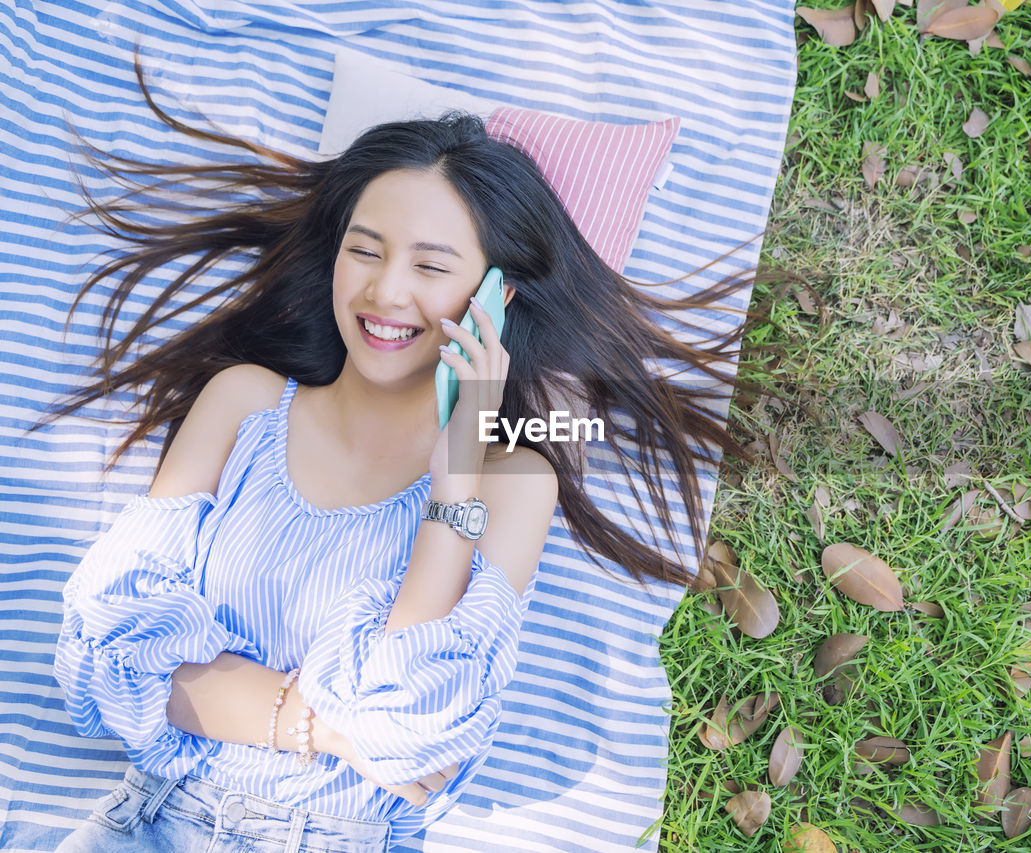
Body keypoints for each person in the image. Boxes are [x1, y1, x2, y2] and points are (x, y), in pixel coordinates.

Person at [43, 60, 750, 851]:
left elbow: (413, 729)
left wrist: (456, 473)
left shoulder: (514, 482)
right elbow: (101, 654)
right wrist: (327, 730)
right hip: (145, 823)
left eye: (431, 266)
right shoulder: (242, 403)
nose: (386, 292)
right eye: (366, 250)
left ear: (495, 297)